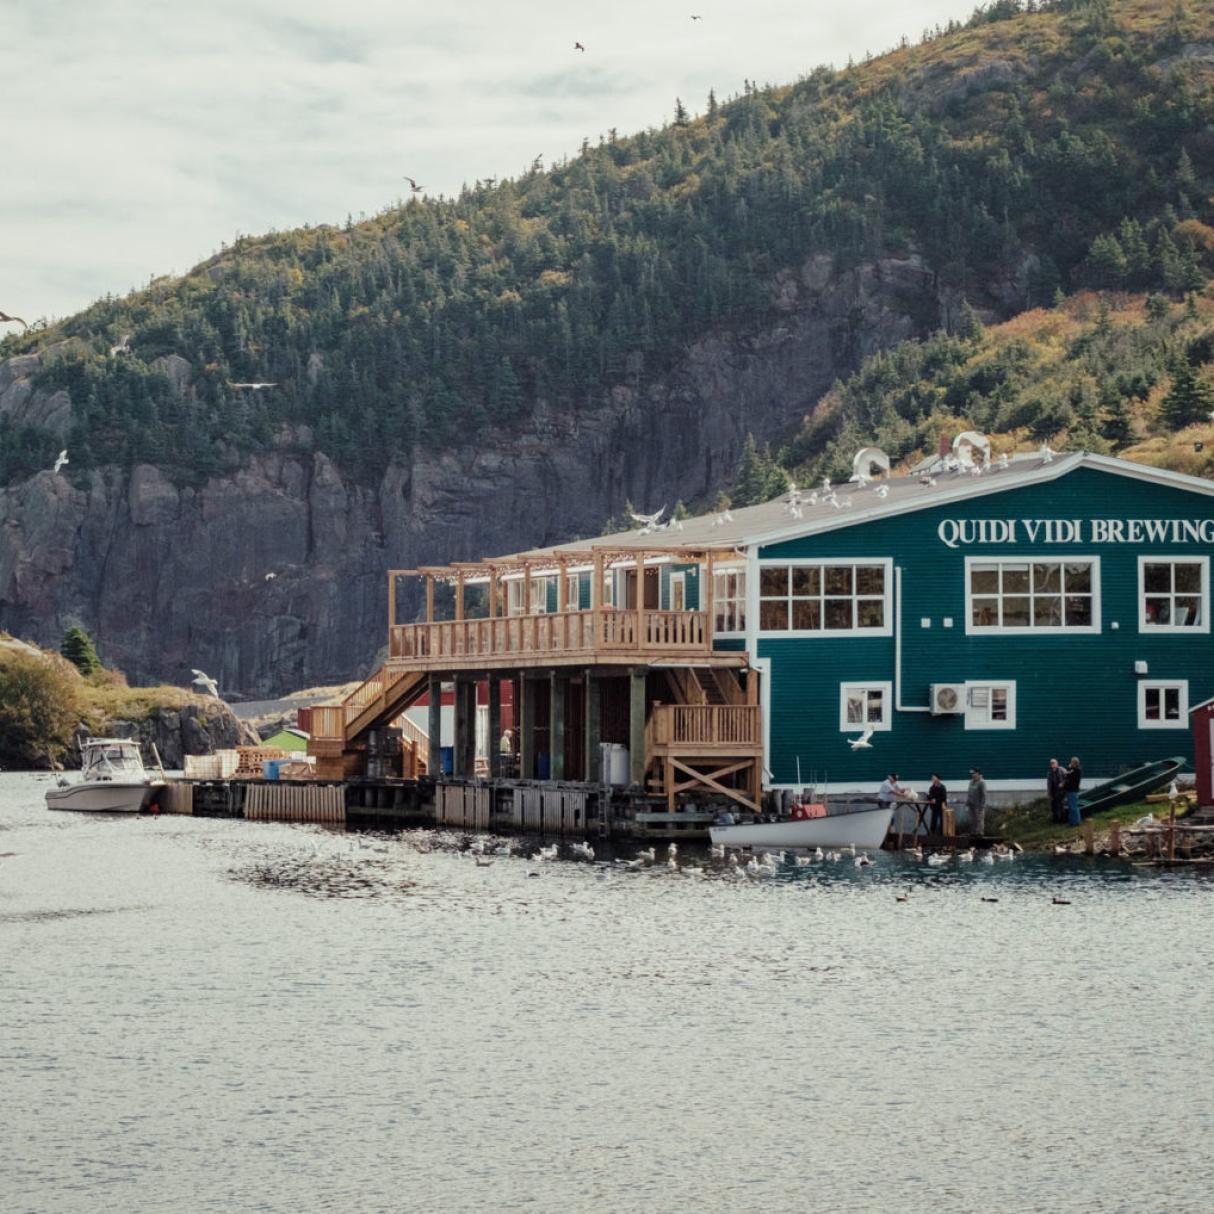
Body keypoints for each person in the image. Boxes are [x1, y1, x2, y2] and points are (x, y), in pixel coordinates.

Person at [967, 767, 987, 837]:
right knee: (972, 820)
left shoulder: (982, 782)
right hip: (971, 805)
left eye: (974, 773)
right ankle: (973, 832)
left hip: (978, 805)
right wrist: (967, 802)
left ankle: (980, 833)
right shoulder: (971, 782)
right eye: (971, 774)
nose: (972, 775)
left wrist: (982, 805)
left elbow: (984, 795)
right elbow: (969, 792)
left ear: (978, 774)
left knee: (979, 820)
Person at [1046, 757, 1066, 823]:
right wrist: (1049, 793)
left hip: (1061, 791)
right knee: (1053, 807)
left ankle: (1063, 820)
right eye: (1051, 763)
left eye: (1054, 763)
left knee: (1061, 806)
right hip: (1053, 792)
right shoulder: (1050, 772)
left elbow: (1068, 778)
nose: (1052, 764)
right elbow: (1048, 783)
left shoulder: (1062, 770)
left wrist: (1063, 783)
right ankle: (1055, 820)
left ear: (1057, 763)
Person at [1064, 756, 1083, 826]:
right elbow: (1067, 774)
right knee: (1071, 807)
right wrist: (1069, 768)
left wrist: (1069, 768)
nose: (1070, 763)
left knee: (1073, 807)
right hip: (1070, 790)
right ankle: (1072, 822)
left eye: (1071, 762)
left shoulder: (1077, 770)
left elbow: (1067, 774)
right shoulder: (1074, 770)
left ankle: (1077, 822)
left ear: (1074, 763)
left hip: (1073, 790)